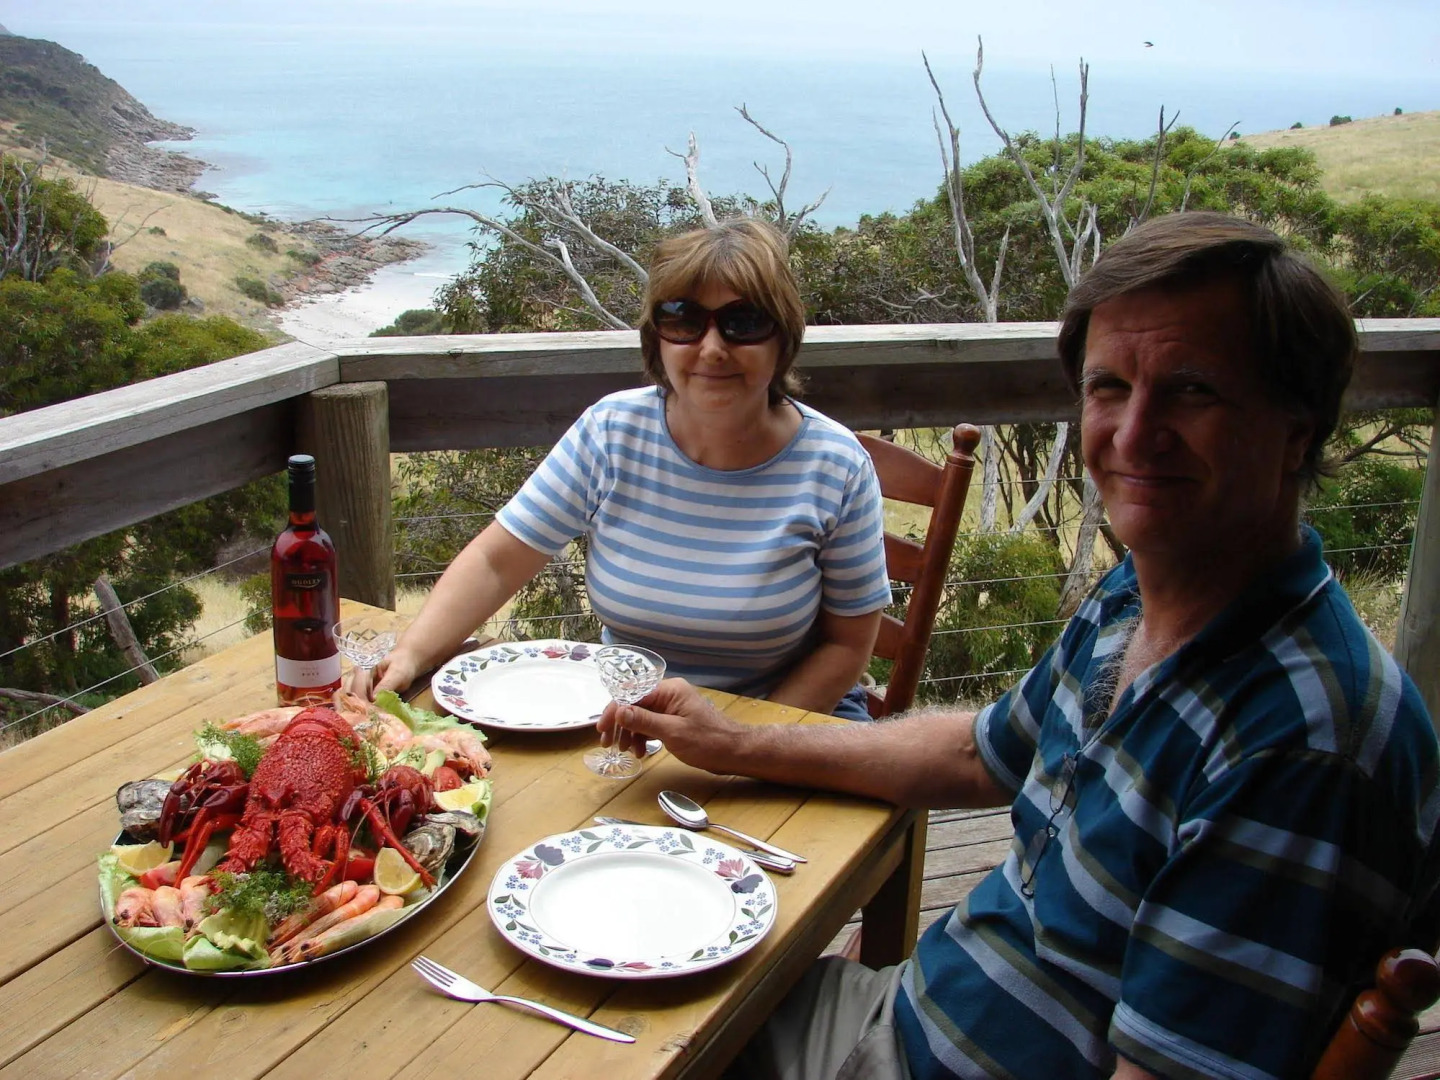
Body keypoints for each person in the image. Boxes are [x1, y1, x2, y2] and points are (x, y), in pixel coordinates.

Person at [598, 211, 1440, 1080]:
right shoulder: (1143, 593)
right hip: (919, 1010)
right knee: (617, 994)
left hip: (918, 1058)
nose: (1134, 431)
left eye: (1192, 390)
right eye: (1110, 387)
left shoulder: (1297, 747)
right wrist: (738, 743)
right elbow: (977, 751)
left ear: (1296, 428)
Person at [366, 217, 891, 720]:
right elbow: (497, 561)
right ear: (657, 338)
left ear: (782, 339)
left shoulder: (835, 466)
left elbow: (847, 645)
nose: (711, 348)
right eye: (683, 320)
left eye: (744, 323)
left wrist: (742, 744)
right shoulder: (612, 431)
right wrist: (412, 655)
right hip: (630, 714)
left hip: (786, 718)